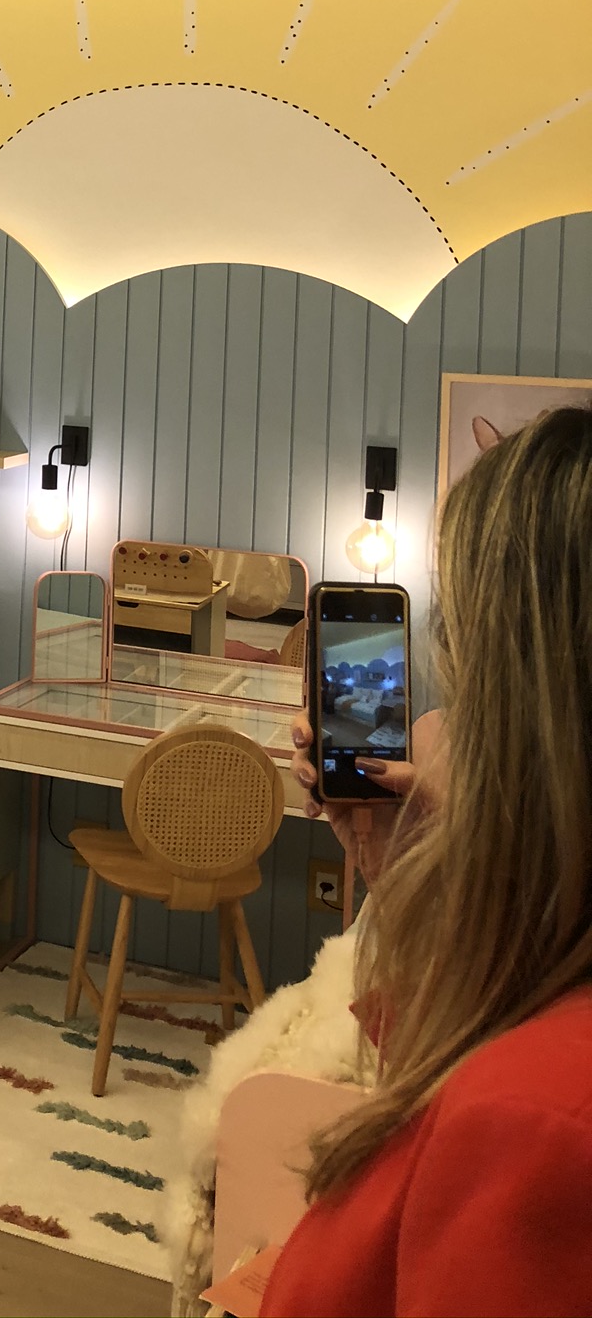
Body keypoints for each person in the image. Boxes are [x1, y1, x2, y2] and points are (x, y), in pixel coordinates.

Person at [266, 406, 592, 1317]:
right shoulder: (543, 1006)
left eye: (458, 641)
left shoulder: (535, 1125)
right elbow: (459, 1048)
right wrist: (402, 863)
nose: (443, 708)